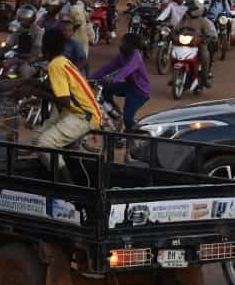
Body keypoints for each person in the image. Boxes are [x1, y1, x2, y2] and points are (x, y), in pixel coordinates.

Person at [25, 28, 103, 176]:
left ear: (46, 45)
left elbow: (64, 100)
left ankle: (67, 185)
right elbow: (49, 86)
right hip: (72, 112)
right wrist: (30, 85)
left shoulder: (56, 65)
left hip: (83, 115)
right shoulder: (61, 61)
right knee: (36, 140)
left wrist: (32, 91)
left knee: (45, 143)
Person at [90, 33, 151, 131]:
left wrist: (114, 79)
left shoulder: (136, 57)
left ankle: (131, 137)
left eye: (123, 42)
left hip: (140, 92)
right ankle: (115, 113)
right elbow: (108, 68)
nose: (120, 44)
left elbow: (126, 70)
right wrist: (90, 78)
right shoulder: (122, 56)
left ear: (130, 45)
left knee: (128, 117)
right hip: (129, 86)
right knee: (105, 87)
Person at [175, 0, 217, 90]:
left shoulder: (203, 21)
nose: (189, 10)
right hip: (184, 42)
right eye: (189, 8)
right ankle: (175, 76)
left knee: (205, 57)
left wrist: (207, 38)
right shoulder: (184, 18)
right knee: (174, 55)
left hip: (199, 43)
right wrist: (173, 32)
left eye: (191, 8)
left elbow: (210, 32)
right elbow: (177, 28)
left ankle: (205, 79)